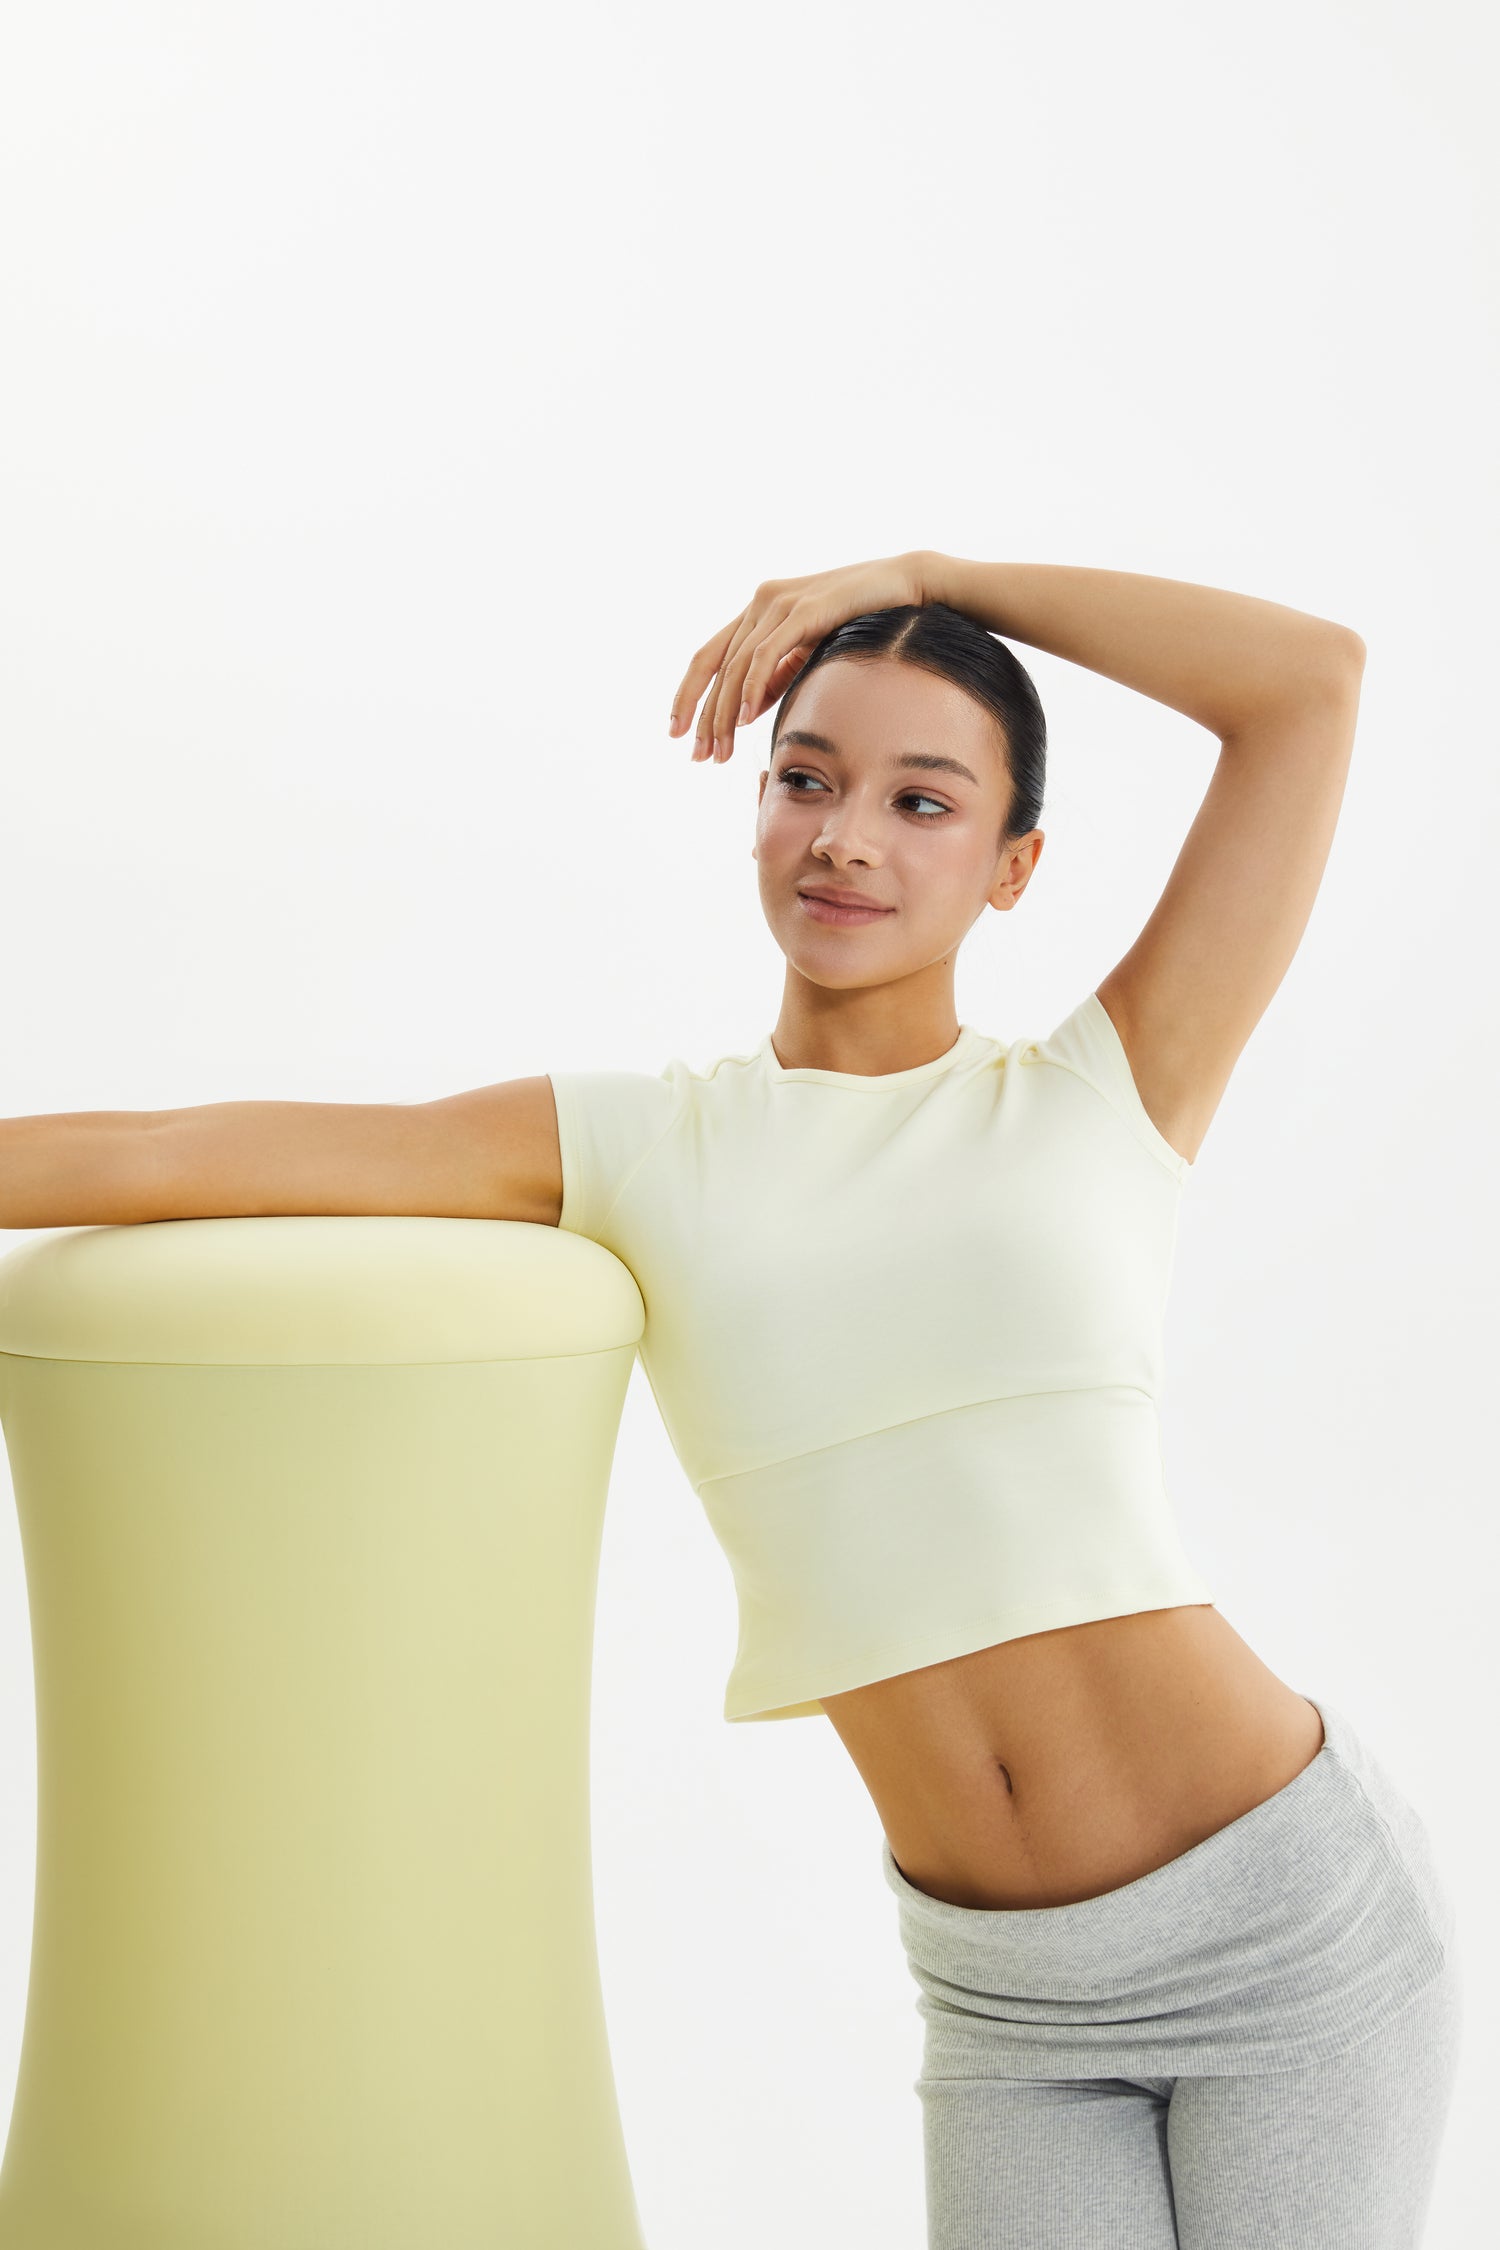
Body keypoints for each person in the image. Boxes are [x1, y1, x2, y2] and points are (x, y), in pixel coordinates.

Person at [0, 550, 1461, 2247]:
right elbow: (185, 1152)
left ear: (1016, 866)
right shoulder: (647, 1145)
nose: (846, 835)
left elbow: (1310, 685)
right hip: (1008, 2005)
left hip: (1287, 1935)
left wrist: (926, 571)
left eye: (925, 800)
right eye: (807, 779)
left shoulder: (1103, 1091)